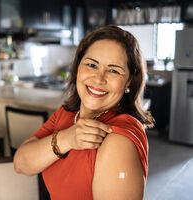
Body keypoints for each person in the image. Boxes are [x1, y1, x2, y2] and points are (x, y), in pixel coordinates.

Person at [13, 25, 154, 200]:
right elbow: (21, 164)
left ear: (128, 81)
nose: (98, 78)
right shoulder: (67, 113)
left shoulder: (118, 139)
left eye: (113, 70)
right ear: (78, 65)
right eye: (92, 65)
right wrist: (67, 138)